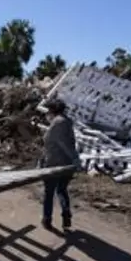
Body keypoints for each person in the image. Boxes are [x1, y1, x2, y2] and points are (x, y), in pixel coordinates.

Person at [40, 98, 81, 230]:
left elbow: (61, 143)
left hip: (54, 163)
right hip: (67, 164)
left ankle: (47, 220)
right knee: (62, 190)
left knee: (49, 192)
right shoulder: (67, 121)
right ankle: (66, 213)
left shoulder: (57, 122)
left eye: (48, 111)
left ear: (52, 110)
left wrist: (75, 158)